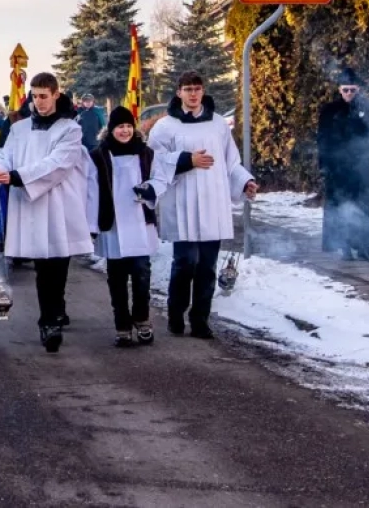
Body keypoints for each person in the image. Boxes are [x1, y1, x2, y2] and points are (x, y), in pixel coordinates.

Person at [146, 71, 257, 340]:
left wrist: (244, 182)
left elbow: (230, 160)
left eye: (197, 89)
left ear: (203, 91)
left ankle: (200, 320)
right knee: (185, 262)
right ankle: (175, 314)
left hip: (213, 203)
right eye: (188, 89)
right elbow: (154, 159)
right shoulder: (166, 126)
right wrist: (187, 160)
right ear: (179, 93)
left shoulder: (218, 124)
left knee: (207, 265)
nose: (193, 94)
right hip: (182, 201)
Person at [0, 74, 91, 352]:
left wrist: (18, 176)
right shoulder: (19, 128)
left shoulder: (69, 129)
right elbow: (5, 153)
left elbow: (58, 164)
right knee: (41, 264)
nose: (39, 102)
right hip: (29, 203)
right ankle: (49, 319)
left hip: (57, 202)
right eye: (35, 96)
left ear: (56, 94)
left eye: (44, 96)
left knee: (56, 262)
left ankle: (52, 317)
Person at [85, 108, 158, 348]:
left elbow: (159, 178)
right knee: (116, 278)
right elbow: (90, 189)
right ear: (111, 130)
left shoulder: (145, 153)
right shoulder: (99, 156)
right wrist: (91, 224)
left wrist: (149, 192)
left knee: (141, 273)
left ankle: (142, 318)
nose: (124, 131)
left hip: (140, 222)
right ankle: (122, 325)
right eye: (119, 127)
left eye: (128, 126)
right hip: (113, 224)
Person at [317, 70, 369, 262]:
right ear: (339, 89)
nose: (348, 94)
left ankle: (364, 247)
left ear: (358, 90)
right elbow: (322, 138)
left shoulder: (364, 108)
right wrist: (325, 164)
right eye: (345, 90)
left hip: (359, 168)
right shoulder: (329, 111)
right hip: (336, 168)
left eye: (352, 90)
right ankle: (344, 246)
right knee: (339, 207)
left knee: (362, 206)